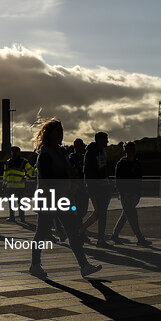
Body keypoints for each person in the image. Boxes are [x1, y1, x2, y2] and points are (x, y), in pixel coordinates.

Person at [30, 118, 101, 279]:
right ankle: (35, 264)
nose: (60, 134)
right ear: (49, 134)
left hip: (64, 197)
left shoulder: (61, 152)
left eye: (61, 130)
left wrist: (72, 182)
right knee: (41, 232)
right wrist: (67, 175)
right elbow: (48, 177)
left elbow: (67, 172)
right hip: (48, 198)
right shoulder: (45, 154)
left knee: (72, 232)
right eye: (57, 131)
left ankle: (84, 265)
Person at [112, 141, 150, 245]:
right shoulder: (121, 164)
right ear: (125, 150)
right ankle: (140, 238)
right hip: (126, 194)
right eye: (129, 149)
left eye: (132, 149)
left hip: (134, 194)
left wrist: (138, 193)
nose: (131, 151)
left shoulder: (137, 163)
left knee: (126, 215)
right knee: (133, 216)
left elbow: (139, 179)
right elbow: (118, 181)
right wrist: (122, 193)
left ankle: (115, 235)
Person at [80, 131, 112, 246]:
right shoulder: (90, 153)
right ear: (99, 140)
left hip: (104, 186)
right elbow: (88, 171)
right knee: (99, 212)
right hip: (95, 186)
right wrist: (91, 187)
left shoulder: (103, 151)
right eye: (105, 139)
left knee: (102, 213)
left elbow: (104, 168)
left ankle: (100, 238)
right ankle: (81, 230)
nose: (107, 142)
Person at [2, 146, 33, 223]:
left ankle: (21, 218)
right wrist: (4, 184)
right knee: (12, 203)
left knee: (20, 202)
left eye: (15, 151)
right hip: (11, 186)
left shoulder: (24, 162)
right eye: (13, 152)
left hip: (19, 186)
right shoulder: (8, 162)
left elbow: (31, 171)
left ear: (19, 152)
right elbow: (5, 174)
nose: (14, 153)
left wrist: (25, 178)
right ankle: (13, 217)